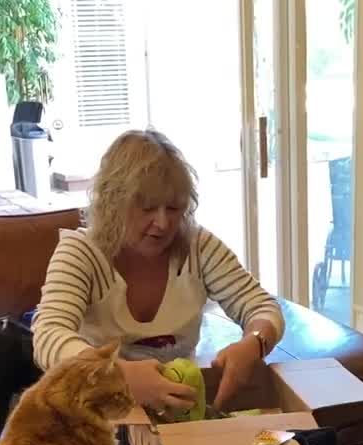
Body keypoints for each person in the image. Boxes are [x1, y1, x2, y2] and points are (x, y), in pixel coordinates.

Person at [31, 129, 285, 415]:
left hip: (179, 408)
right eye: (147, 208)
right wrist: (116, 375)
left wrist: (255, 343)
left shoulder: (198, 246)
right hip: (97, 411)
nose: (163, 223)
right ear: (113, 203)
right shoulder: (81, 252)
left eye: (174, 208)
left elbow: (261, 306)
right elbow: (48, 334)